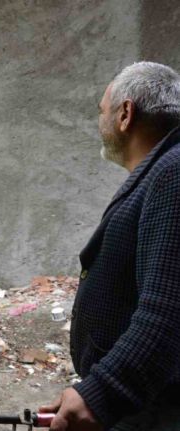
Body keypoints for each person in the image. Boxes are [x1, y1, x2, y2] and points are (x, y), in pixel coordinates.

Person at [41, 62, 180, 430]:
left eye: (101, 111)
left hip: (155, 409)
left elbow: (168, 311)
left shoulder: (173, 172)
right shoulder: (162, 170)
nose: (98, 122)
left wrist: (103, 392)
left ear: (125, 114)